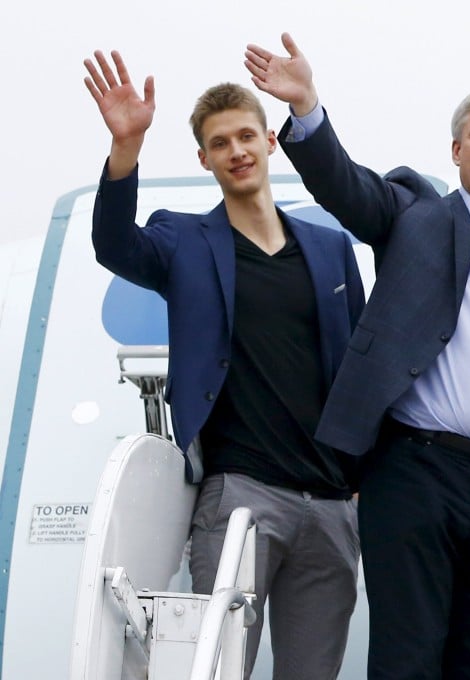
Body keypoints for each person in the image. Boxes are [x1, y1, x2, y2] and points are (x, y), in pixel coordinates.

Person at [243, 33, 470, 680]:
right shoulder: (413, 217)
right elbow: (344, 187)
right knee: (408, 657)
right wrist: (307, 107)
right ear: (455, 152)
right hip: (418, 474)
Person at [84, 50, 365, 679]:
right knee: (216, 669)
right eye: (219, 143)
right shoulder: (183, 240)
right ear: (204, 158)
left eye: (245, 135)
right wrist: (126, 146)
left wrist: (357, 478)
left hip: (329, 504)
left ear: (269, 140)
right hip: (240, 497)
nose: (236, 150)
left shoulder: (329, 250)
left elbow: (357, 366)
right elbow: (114, 244)